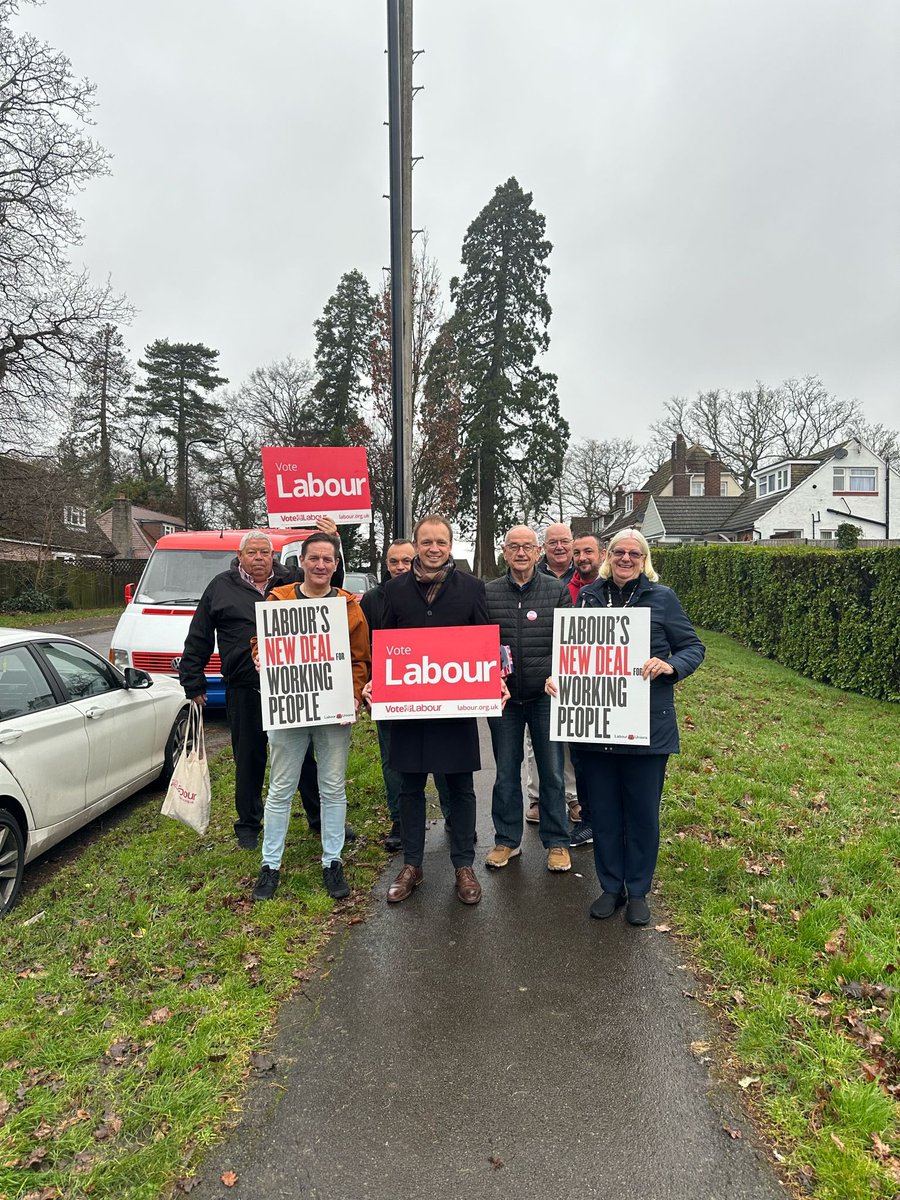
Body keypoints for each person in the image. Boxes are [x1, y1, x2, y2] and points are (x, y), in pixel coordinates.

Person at [558, 528, 704, 926]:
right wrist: (561, 680)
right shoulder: (589, 597)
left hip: (647, 727)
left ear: (644, 559)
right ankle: (611, 886)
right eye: (619, 552)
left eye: (634, 554)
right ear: (609, 557)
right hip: (599, 727)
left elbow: (693, 647)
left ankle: (638, 890)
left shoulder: (663, 598)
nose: (626, 559)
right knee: (603, 813)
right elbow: (577, 653)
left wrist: (670, 665)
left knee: (641, 815)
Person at [180, 525, 345, 849]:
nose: (259, 558)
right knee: (248, 757)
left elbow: (329, 586)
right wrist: (193, 680)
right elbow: (199, 634)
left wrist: (334, 542)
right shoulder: (220, 587)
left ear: (274, 555)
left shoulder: (292, 580)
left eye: (265, 552)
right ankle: (248, 825)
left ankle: (319, 818)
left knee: (304, 757)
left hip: (293, 685)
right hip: (244, 686)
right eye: (252, 552)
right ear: (239, 556)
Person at [368, 515, 495, 906]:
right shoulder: (395, 589)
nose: (434, 548)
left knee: (461, 788)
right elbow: (384, 641)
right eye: (427, 542)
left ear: (450, 545)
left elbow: (485, 642)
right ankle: (412, 865)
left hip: (455, 709)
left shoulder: (471, 587)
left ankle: (463, 866)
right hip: (410, 708)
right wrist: (376, 680)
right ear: (417, 546)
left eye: (441, 541)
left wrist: (497, 677)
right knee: (410, 787)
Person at [251, 532, 371, 902]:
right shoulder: (278, 601)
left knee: (332, 787)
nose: (320, 565)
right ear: (301, 561)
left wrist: (353, 695)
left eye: (327, 559)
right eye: (314, 558)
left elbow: (360, 659)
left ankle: (332, 860)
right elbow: (259, 642)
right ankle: (270, 864)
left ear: (336, 565)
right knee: (281, 788)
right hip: (290, 707)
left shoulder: (348, 607)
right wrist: (259, 656)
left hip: (333, 710)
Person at [484, 526, 573, 873]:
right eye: (514, 547)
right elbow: (478, 642)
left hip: (544, 696)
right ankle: (507, 840)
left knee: (552, 772)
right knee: (506, 772)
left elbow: (570, 643)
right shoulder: (488, 592)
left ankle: (557, 841)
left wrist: (559, 674)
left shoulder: (556, 590)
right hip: (503, 700)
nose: (521, 553)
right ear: (504, 552)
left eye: (527, 547)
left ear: (538, 552)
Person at [361, 539, 415, 851]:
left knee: (443, 756)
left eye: (406, 561)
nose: (400, 567)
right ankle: (400, 820)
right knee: (392, 758)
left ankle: (451, 815)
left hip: (431, 687)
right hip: (388, 690)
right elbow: (362, 646)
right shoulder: (372, 599)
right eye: (394, 562)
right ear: (386, 564)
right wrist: (367, 684)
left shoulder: (430, 593)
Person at [526, 521, 578, 823]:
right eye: (552, 542)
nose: (559, 547)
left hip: (574, 665)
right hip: (539, 667)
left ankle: (572, 796)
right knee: (536, 740)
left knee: (570, 735)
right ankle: (537, 797)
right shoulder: (532, 574)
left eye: (564, 541)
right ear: (543, 548)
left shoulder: (587, 575)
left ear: (572, 544)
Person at [567, 533, 606, 848]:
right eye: (577, 552)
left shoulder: (624, 589)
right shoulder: (579, 594)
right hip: (581, 688)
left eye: (588, 551)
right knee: (582, 759)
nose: (582, 557)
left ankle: (611, 821)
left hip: (617, 688)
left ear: (602, 554)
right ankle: (590, 820)